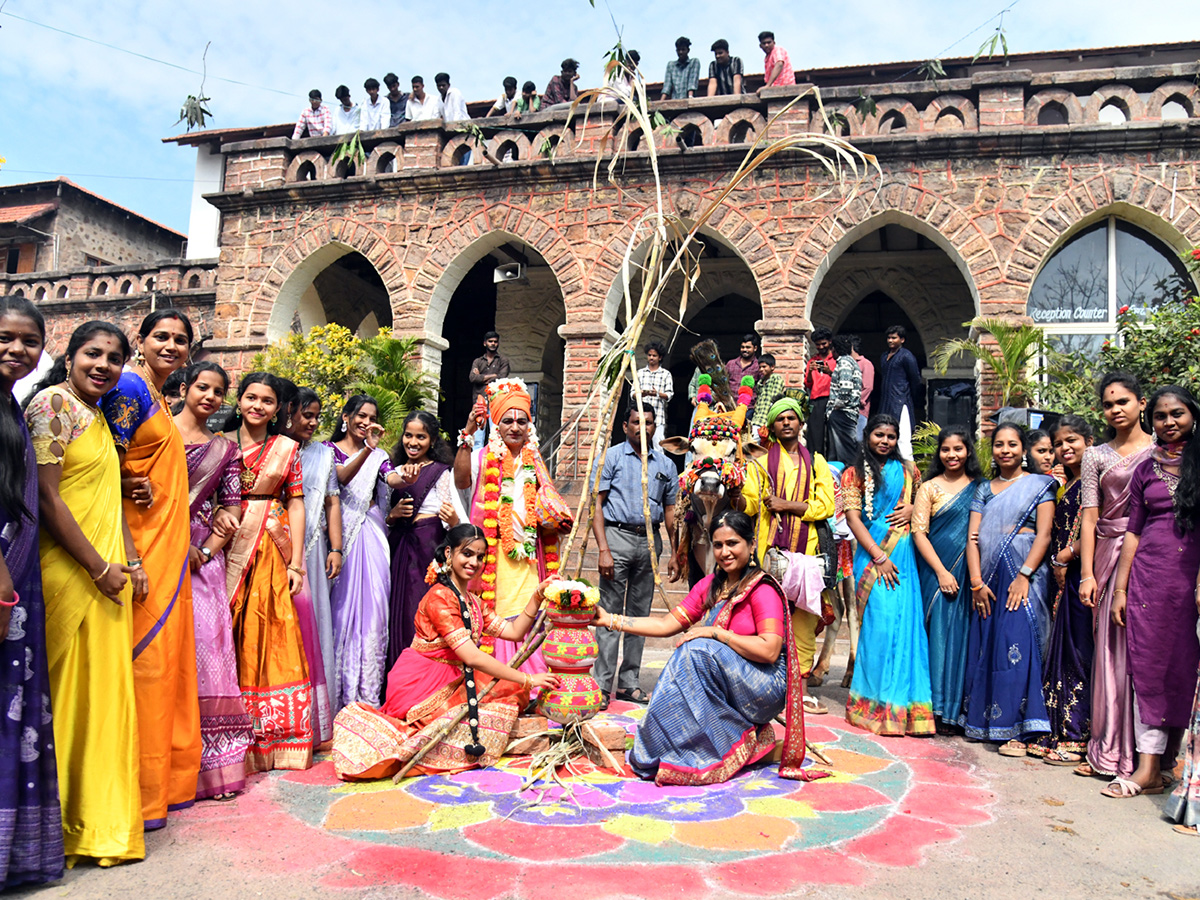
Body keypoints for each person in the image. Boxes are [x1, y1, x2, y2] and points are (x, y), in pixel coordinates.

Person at [594, 510, 825, 785]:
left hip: (765, 684)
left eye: (733, 543)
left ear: (751, 545)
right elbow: (666, 625)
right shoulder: (711, 586)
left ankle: (698, 753)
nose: (725, 552)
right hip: (731, 679)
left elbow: (769, 650)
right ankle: (662, 748)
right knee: (689, 649)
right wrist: (610, 619)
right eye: (718, 545)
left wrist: (716, 633)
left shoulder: (762, 589)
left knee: (698, 649)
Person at [27, 321, 143, 866]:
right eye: (92, 353)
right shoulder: (51, 405)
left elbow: (108, 498)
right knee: (67, 697)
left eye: (114, 357)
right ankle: (63, 824)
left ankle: (94, 824)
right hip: (69, 571)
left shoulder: (96, 415)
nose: (103, 364)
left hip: (106, 574)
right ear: (69, 356)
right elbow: (47, 501)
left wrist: (127, 561)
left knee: (101, 700)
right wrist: (99, 568)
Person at [332, 525, 559, 779]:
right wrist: (528, 677)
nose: (475, 562)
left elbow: (514, 631)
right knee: (463, 711)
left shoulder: (472, 600)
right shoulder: (439, 598)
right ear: (449, 554)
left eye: (480, 557)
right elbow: (472, 657)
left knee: (513, 690)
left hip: (454, 675)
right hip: (423, 682)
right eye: (468, 554)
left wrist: (537, 596)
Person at [99, 309, 201, 830]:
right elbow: (102, 465)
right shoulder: (132, 389)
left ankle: (160, 787)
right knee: (145, 664)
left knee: (166, 665)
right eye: (161, 336)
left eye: (181, 340)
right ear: (141, 340)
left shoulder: (158, 396)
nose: (171, 345)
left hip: (167, 550)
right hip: (137, 546)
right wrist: (131, 557)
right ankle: (131, 795)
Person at [1104, 386, 1200, 798]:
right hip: (1150, 579)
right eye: (1161, 416)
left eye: (1176, 413)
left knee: (1185, 669)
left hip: (1191, 580)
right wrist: (1121, 588)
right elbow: (1133, 531)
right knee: (1150, 666)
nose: (1168, 422)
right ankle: (1147, 768)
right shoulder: (1146, 468)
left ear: (1193, 414)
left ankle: (1172, 766)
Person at [0, 298, 62, 888]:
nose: (17, 350)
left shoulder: (11, 406)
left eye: (28, 342)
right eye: (6, 338)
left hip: (18, 574)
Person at [223, 373, 313, 772]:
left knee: (271, 629)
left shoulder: (286, 448)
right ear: (239, 400)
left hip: (272, 548)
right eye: (251, 397)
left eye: (267, 401)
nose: (258, 406)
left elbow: (296, 503)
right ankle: (229, 733)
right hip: (225, 544)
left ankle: (274, 736)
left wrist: (298, 562)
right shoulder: (220, 444)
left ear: (279, 409)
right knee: (228, 628)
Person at [173, 362, 254, 800]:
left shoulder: (224, 449)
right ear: (185, 387)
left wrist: (207, 547)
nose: (210, 396)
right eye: (202, 387)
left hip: (203, 562)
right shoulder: (157, 434)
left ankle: (214, 765)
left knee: (209, 651)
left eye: (218, 391)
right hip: (156, 550)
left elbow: (232, 505)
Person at [455, 378, 572, 670]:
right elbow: (460, 481)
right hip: (495, 557)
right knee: (501, 615)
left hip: (533, 556)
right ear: (497, 424)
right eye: (507, 420)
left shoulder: (537, 464)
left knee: (532, 614)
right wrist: (468, 433)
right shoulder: (484, 458)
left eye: (522, 420)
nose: (515, 426)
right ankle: (501, 684)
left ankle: (532, 685)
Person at [960, 423, 1056, 751]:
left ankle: (1021, 728)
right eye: (999, 444)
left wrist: (1024, 575)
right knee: (992, 648)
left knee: (1018, 645)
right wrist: (975, 583)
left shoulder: (1040, 485)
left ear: (1023, 449)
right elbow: (972, 539)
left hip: (1024, 578)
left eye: (1012, 444)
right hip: (989, 581)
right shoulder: (984, 489)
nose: (1005, 450)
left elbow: (1043, 535)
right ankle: (989, 723)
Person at [738, 397, 835, 713]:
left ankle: (801, 690)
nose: (788, 423)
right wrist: (733, 489)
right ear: (773, 427)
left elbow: (826, 506)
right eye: (781, 419)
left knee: (804, 624)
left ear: (801, 423)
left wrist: (784, 505)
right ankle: (765, 688)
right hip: (771, 555)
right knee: (768, 621)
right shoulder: (760, 463)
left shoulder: (817, 461)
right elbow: (751, 504)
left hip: (807, 556)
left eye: (793, 418)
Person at [1079, 372, 1152, 780]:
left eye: (1123, 401)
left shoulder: (1163, 451)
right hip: (1106, 554)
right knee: (1109, 651)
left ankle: (1150, 754)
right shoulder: (1096, 455)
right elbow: (1090, 517)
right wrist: (1087, 573)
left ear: (1142, 403)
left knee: (1146, 650)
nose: (1116, 409)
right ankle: (1108, 748)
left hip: (1150, 553)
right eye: (1108, 404)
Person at [841, 414, 933, 736]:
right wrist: (879, 556)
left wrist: (913, 509)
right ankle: (872, 703)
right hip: (872, 554)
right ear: (868, 436)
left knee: (906, 626)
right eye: (879, 435)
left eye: (891, 436)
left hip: (905, 554)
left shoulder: (910, 471)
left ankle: (902, 708)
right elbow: (853, 519)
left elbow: (927, 505)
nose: (885, 441)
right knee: (879, 627)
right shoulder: (853, 474)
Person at [327, 395, 411, 711]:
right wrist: (368, 450)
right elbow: (340, 477)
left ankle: (367, 700)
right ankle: (338, 698)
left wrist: (407, 476)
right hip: (339, 536)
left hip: (372, 534)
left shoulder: (379, 456)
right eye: (360, 416)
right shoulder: (327, 450)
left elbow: (390, 476)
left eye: (371, 417)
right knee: (340, 612)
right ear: (346, 417)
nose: (366, 422)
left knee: (374, 611)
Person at [592, 406, 678, 707]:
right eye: (636, 422)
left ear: (656, 426)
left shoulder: (666, 465)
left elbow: (670, 511)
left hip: (650, 542)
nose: (642, 427)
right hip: (616, 537)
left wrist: (675, 552)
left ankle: (629, 682)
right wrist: (603, 549)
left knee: (639, 616)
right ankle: (601, 684)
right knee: (610, 613)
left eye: (649, 422)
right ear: (625, 426)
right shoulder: (611, 457)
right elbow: (597, 507)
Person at [1029, 416, 1095, 764]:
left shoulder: (1093, 481)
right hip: (1063, 577)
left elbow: (1097, 525)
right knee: (1062, 651)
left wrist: (1066, 555)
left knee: (1080, 652)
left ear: (1089, 440)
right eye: (1059, 443)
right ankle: (1060, 729)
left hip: (1084, 573)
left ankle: (1078, 735)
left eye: (1073, 440)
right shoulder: (1065, 483)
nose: (1065, 448)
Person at [911, 425, 981, 733]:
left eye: (958, 449)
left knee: (963, 637)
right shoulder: (928, 488)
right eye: (946, 449)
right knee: (936, 635)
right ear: (939, 454)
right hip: (935, 572)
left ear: (968, 451)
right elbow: (918, 532)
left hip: (970, 572)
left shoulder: (980, 488)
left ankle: (957, 711)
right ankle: (933, 710)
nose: (952, 455)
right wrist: (941, 572)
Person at [386, 409, 464, 668]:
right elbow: (378, 514)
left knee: (420, 610)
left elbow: (453, 519)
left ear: (432, 441)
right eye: (408, 435)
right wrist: (392, 516)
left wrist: (452, 521)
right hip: (398, 548)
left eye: (421, 437)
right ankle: (397, 674)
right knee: (394, 611)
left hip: (428, 549)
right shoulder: (392, 472)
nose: (413, 442)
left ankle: (426, 674)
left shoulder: (441, 472)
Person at [288, 389, 341, 742]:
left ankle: (314, 717)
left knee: (313, 622)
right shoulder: (276, 447)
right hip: (275, 543)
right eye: (306, 414)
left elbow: (332, 501)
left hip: (313, 545)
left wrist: (336, 548)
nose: (313, 422)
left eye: (317, 416)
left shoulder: (323, 454)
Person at [877, 325, 920, 460]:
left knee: (903, 436)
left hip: (901, 401)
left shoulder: (906, 356)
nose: (890, 341)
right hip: (886, 401)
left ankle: (908, 470)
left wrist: (910, 397)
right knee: (884, 432)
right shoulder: (884, 356)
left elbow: (915, 379)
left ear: (902, 340)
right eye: (889, 338)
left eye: (894, 338)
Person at [469, 331, 510, 450]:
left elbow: (501, 378)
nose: (493, 344)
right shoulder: (478, 361)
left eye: (495, 342)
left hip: (495, 401)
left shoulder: (503, 360)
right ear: (484, 343)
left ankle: (493, 462)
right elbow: (472, 378)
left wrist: (481, 377)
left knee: (495, 435)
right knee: (477, 438)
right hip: (479, 402)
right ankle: (477, 465)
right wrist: (492, 376)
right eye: (490, 341)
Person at [825, 334, 862, 466]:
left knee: (845, 452)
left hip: (843, 413)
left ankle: (850, 479)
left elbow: (845, 388)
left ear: (835, 349)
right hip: (848, 412)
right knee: (840, 450)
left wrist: (836, 406)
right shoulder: (852, 362)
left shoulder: (844, 362)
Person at [631, 340, 673, 451]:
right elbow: (632, 394)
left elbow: (669, 395)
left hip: (658, 417)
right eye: (649, 355)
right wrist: (641, 394)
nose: (651, 358)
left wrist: (657, 394)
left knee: (658, 446)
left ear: (660, 357)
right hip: (640, 416)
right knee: (638, 445)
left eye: (654, 355)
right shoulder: (640, 373)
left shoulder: (665, 374)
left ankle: (659, 469)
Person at [804, 327, 835, 458]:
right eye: (818, 344)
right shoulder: (812, 360)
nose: (821, 347)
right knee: (815, 434)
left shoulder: (836, 360)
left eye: (824, 343)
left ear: (830, 342)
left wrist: (830, 372)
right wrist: (810, 371)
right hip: (816, 399)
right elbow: (808, 383)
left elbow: (840, 381)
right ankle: (816, 460)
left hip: (831, 399)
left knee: (832, 434)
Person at [747, 353, 784, 444]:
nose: (761, 369)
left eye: (764, 367)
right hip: (756, 419)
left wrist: (770, 421)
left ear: (772, 367)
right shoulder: (760, 382)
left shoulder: (776, 379)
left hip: (766, 420)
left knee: (754, 444)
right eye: (760, 367)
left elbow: (774, 399)